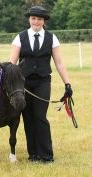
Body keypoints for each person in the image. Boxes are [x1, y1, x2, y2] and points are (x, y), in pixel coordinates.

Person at [10, 5, 73, 163]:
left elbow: (59, 63)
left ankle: (46, 155)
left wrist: (67, 84)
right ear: (29, 19)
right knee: (28, 117)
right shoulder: (20, 37)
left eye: (39, 19)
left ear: (44, 21)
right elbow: (12, 63)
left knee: (40, 116)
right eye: (33, 18)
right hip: (23, 84)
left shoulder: (52, 38)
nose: (36, 21)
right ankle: (33, 155)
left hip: (43, 81)